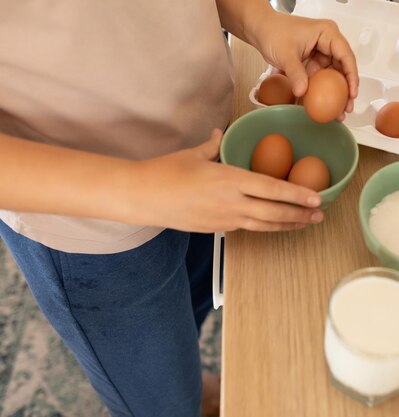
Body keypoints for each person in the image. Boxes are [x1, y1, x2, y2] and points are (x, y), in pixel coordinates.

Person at [0, 0, 358, 415]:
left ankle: (184, 383)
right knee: (159, 401)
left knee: (190, 308)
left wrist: (261, 20)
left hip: (204, 150)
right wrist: (143, 188)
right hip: (92, 230)